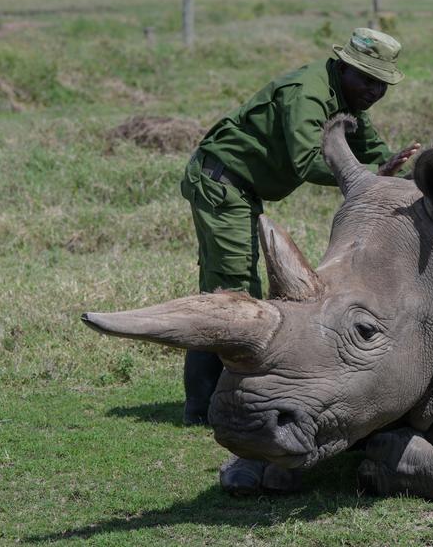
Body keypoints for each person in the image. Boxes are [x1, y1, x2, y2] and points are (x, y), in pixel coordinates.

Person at [179, 28, 419, 426]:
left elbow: (373, 151)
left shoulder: (346, 98)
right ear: (344, 67)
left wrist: (405, 174)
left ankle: (216, 399)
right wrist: (372, 174)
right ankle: (204, 408)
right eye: (367, 80)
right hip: (222, 182)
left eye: (382, 84)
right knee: (231, 290)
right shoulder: (307, 94)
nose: (374, 91)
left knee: (229, 287)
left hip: (244, 185)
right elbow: (307, 161)